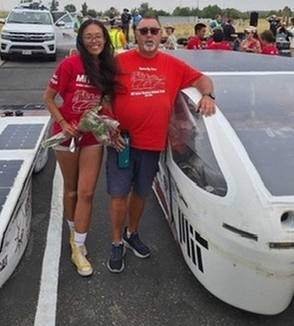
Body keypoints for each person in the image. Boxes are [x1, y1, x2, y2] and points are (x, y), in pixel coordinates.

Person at [106, 15, 216, 273]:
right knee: (118, 194)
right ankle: (116, 241)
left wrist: (208, 96)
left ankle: (132, 233)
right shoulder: (118, 62)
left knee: (141, 192)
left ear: (161, 35)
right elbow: (103, 95)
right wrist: (110, 125)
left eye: (153, 31)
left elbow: (202, 79)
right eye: (143, 30)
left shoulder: (173, 65)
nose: (149, 35)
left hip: (152, 144)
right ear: (135, 33)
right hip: (122, 142)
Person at [43, 19, 119, 277]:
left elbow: (106, 102)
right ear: (81, 40)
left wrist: (108, 126)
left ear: (105, 39)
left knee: (87, 193)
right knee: (72, 190)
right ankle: (73, 231)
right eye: (89, 37)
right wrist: (63, 122)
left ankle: (78, 246)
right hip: (66, 135)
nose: (94, 41)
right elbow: (48, 98)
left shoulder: (108, 68)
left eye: (99, 36)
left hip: (91, 136)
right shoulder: (70, 65)